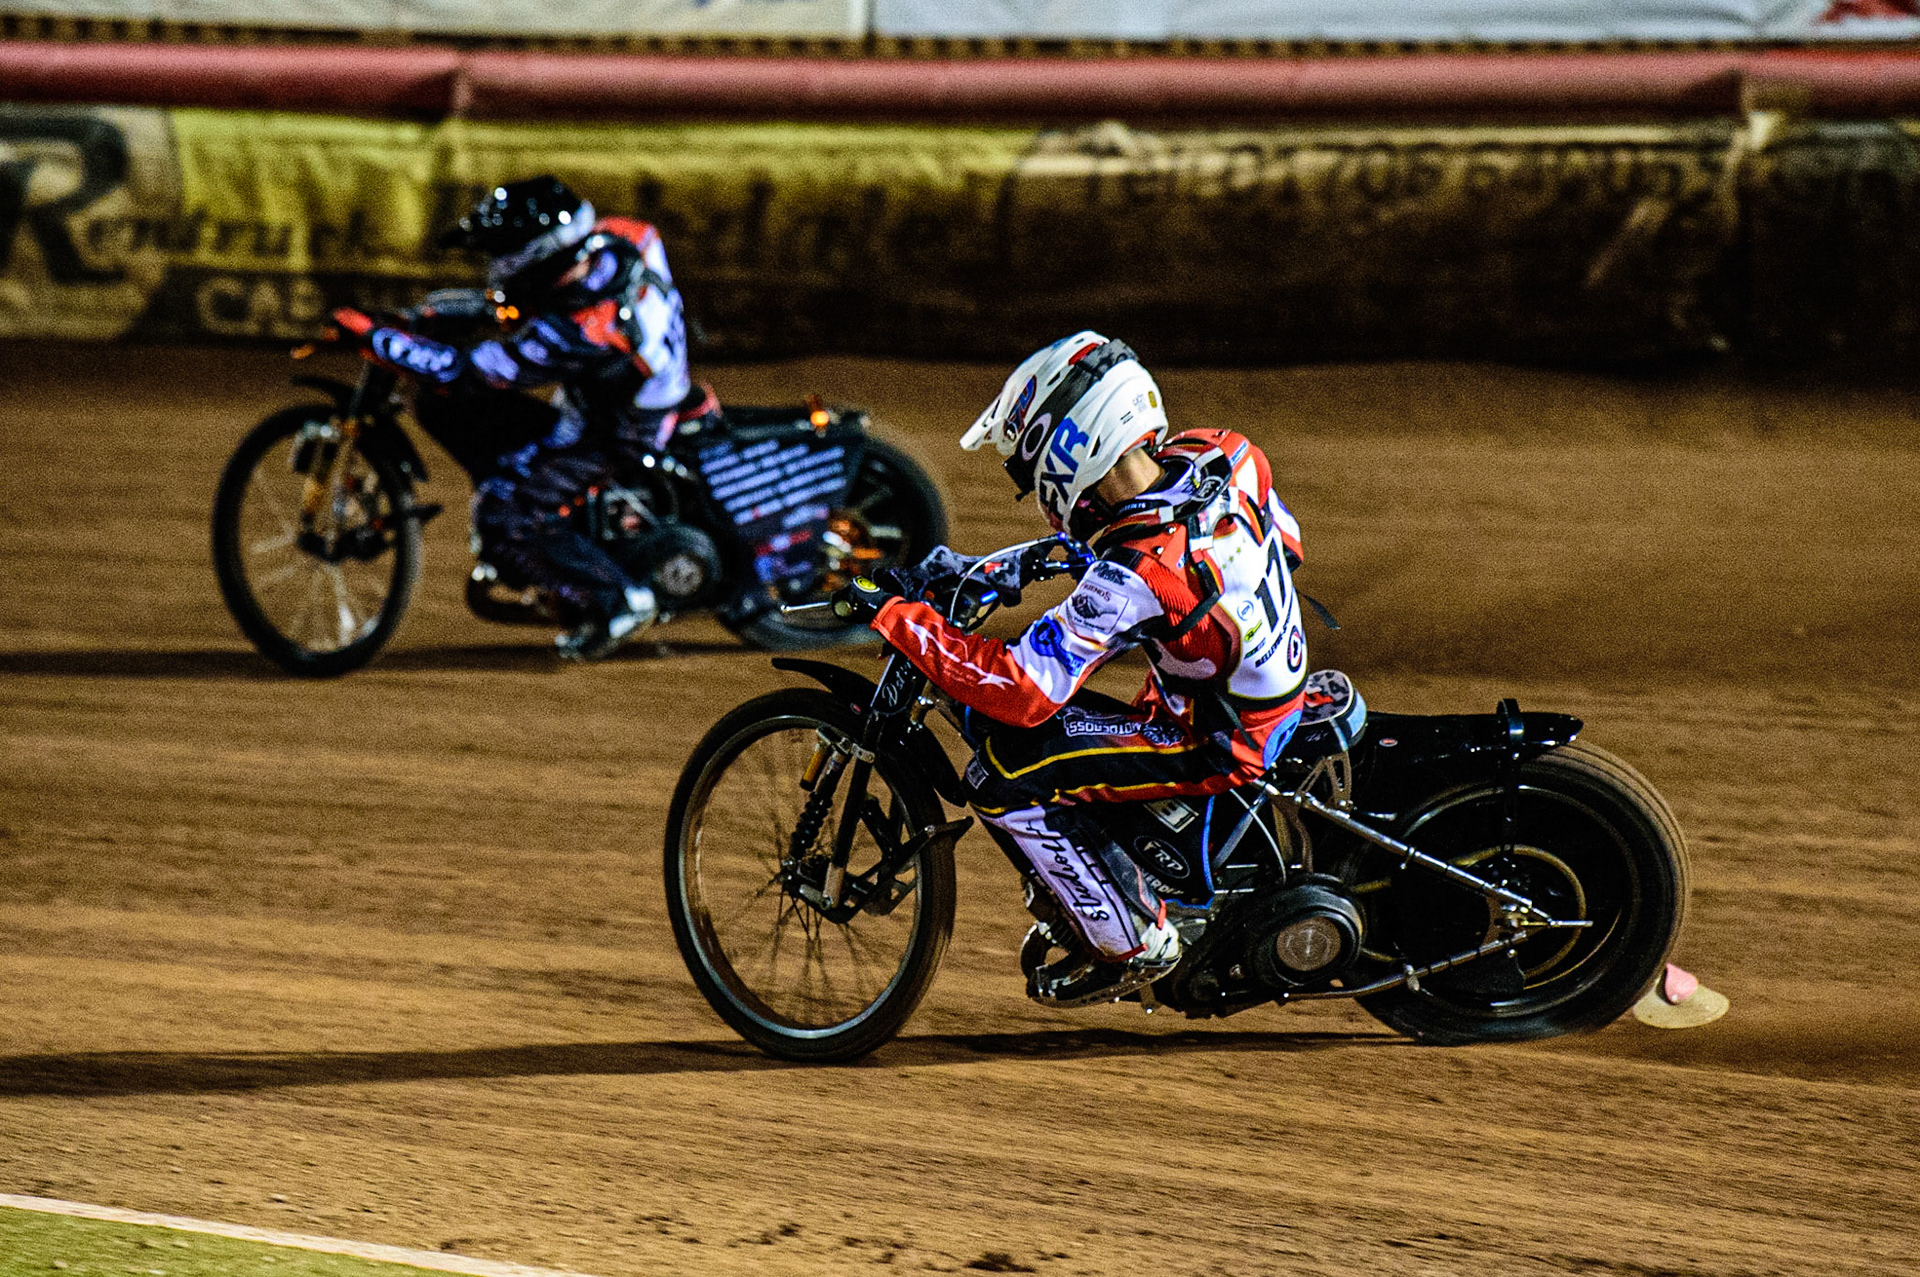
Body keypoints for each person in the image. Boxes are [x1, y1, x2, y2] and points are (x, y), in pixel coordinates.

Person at [835, 333, 1311, 1005]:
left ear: (1072, 445)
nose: (1036, 491)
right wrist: (993, 568)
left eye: (1032, 470)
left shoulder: (1136, 573)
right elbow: (1284, 541)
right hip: (1260, 690)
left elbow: (1024, 690)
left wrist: (900, 619)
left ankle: (1135, 943)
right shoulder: (1223, 453)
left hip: (1214, 736)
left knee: (1003, 770)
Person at [333, 176, 718, 660]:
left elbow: (468, 371)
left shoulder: (581, 331)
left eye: (502, 258)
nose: (494, 269)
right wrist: (434, 315)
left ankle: (618, 599)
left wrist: (377, 338)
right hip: (638, 387)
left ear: (539, 258)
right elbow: (523, 305)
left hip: (618, 430)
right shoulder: (626, 236)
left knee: (503, 521)